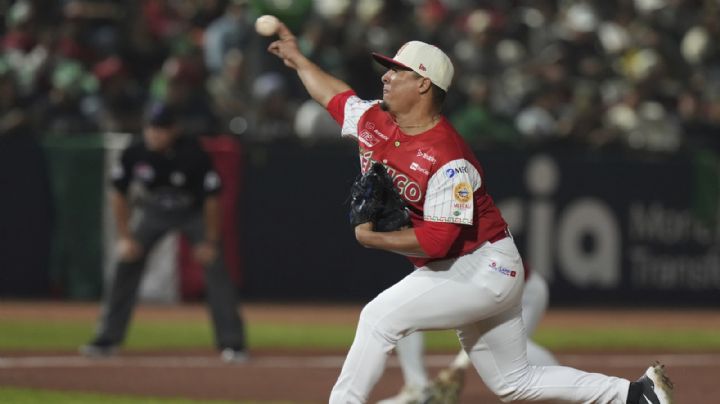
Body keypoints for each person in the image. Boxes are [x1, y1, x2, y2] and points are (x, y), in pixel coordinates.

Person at [266, 22, 673, 404]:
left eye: (397, 71)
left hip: (483, 267)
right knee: (514, 383)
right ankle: (636, 395)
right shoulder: (376, 121)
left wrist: (371, 238)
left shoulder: (447, 157)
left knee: (378, 318)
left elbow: (440, 240)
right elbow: (335, 97)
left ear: (423, 84)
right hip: (465, 268)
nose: (386, 76)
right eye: (387, 70)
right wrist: (299, 59)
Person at [80, 103, 248, 363]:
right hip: (153, 212)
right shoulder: (135, 152)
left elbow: (212, 200)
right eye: (151, 128)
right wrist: (125, 237)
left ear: (175, 130)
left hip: (192, 212)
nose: (155, 134)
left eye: (162, 129)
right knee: (126, 262)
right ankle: (107, 337)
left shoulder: (193, 153)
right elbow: (118, 193)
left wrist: (211, 241)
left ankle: (232, 343)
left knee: (215, 265)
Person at [378, 265, 558, 404]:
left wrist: (458, 366)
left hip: (525, 293)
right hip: (491, 293)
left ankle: (565, 386)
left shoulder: (465, 254)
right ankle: (416, 389)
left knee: (506, 344)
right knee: (404, 312)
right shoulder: (429, 248)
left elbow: (482, 321)